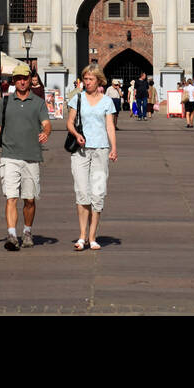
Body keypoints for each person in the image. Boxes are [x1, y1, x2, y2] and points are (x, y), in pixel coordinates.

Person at [0, 62, 51, 251]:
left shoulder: (38, 102)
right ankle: (12, 234)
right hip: (9, 155)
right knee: (11, 197)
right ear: (13, 81)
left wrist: (46, 132)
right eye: (18, 78)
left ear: (30, 80)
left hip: (31, 156)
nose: (21, 82)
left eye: (24, 78)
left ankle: (27, 231)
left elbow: (46, 123)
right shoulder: (5, 102)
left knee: (29, 199)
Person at [67, 64, 118, 251]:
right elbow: (70, 123)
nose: (87, 82)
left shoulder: (107, 102)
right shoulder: (77, 99)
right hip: (80, 151)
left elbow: (110, 126)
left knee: (97, 193)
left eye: (90, 79)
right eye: (85, 79)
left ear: (99, 81)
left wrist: (114, 147)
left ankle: (92, 236)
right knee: (82, 192)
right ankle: (81, 236)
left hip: (100, 151)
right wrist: (76, 134)